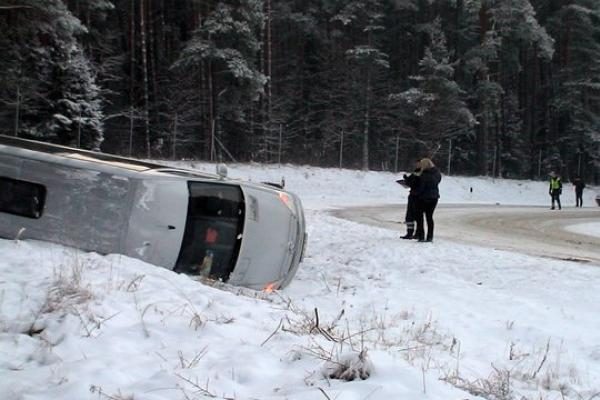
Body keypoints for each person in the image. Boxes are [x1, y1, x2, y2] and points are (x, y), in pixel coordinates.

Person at [414, 158, 442, 242]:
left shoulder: (424, 174)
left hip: (423, 198)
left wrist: (415, 192)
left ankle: (421, 236)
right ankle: (430, 236)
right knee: (429, 217)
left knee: (419, 217)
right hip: (434, 198)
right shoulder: (437, 174)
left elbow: (421, 187)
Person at [399, 163, 421, 239]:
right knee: (411, 216)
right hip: (414, 195)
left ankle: (414, 233)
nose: (416, 165)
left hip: (416, 196)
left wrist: (407, 181)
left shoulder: (421, 173)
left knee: (414, 216)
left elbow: (413, 183)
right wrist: (407, 179)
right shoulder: (417, 172)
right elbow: (411, 181)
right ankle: (412, 233)